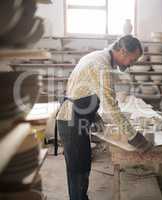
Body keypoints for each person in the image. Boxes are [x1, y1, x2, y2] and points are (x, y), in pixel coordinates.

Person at [56, 35, 152, 200]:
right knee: (78, 168)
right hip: (71, 118)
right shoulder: (102, 67)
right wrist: (134, 137)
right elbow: (111, 107)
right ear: (122, 51)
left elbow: (81, 90)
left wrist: (94, 116)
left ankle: (80, 196)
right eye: (132, 59)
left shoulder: (97, 56)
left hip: (77, 115)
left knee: (83, 163)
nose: (131, 64)